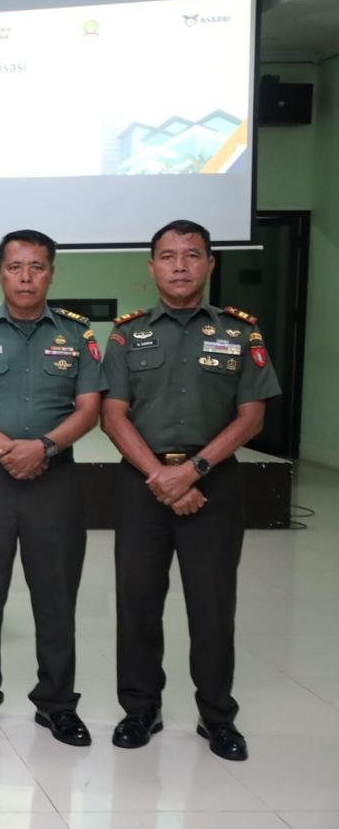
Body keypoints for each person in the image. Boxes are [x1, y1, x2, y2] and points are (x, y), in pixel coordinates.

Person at [101, 219, 281, 761]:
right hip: (142, 484)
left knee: (212, 605)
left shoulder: (241, 333)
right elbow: (113, 415)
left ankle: (217, 716)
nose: (179, 265)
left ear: (210, 264)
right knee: (137, 602)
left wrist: (194, 470)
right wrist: (162, 476)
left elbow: (251, 417)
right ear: (151, 266)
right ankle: (141, 709)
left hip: (214, 483)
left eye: (192, 255)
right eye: (168, 255)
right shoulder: (125, 335)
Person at [0, 229, 106, 745]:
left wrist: (44, 448)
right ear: (0, 274)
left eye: (36, 267)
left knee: (56, 597)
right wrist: (9, 450)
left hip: (56, 481)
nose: (26, 277)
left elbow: (90, 408)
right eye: (15, 267)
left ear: (51, 273)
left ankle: (57, 704)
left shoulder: (77, 335)